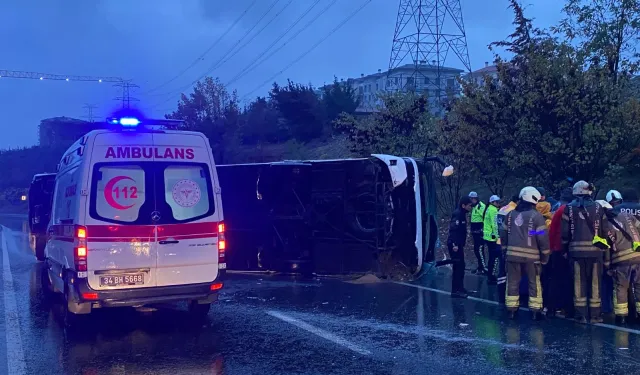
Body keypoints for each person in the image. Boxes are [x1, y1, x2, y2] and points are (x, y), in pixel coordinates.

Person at [561, 180, 608, 324]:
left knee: (578, 283)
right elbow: (604, 230)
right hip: (596, 252)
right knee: (595, 283)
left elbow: (564, 233)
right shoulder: (599, 207)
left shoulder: (567, 209)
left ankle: (580, 315)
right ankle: (595, 315)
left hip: (575, 253)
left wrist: (564, 249)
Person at [500, 187, 550, 320]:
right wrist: (545, 257)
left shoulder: (510, 215)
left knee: (512, 283)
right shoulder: (537, 216)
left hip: (512, 256)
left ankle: (511, 310)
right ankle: (535, 312)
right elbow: (542, 237)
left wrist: (505, 251)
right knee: (534, 283)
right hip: (532, 258)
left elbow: (503, 234)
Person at [600, 199, 640, 324]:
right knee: (639, 285)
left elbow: (606, 247)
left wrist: (607, 264)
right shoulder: (627, 216)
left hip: (620, 261)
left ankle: (621, 317)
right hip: (638, 256)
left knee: (621, 287)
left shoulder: (605, 225)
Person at [547, 187, 574, 317]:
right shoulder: (574, 210)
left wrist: (551, 248)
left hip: (558, 249)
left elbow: (550, 231)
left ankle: (553, 306)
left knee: (556, 278)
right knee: (569, 279)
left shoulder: (557, 211)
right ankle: (568, 307)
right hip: (571, 249)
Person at [448, 196, 474, 298]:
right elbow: (453, 230)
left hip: (458, 244)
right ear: (463, 205)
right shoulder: (458, 214)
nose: (470, 207)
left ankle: (460, 288)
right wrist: (454, 244)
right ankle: (455, 291)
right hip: (455, 245)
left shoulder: (462, 214)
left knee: (461, 266)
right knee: (457, 267)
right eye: (469, 205)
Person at [484, 195, 502, 284]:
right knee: (494, 258)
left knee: (491, 257)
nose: (498, 203)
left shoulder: (488, 208)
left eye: (498, 202)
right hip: (492, 237)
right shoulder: (493, 210)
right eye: (496, 202)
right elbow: (495, 224)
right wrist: (497, 236)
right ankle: (491, 277)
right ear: (492, 202)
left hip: (487, 236)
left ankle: (490, 276)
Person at [469, 192, 487, 274]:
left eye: (471, 199)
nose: (470, 201)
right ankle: (480, 267)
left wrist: (483, 229)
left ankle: (483, 268)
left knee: (479, 250)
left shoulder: (480, 206)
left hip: (479, 232)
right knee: (476, 250)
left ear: (474, 199)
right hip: (475, 232)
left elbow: (485, 218)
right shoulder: (474, 207)